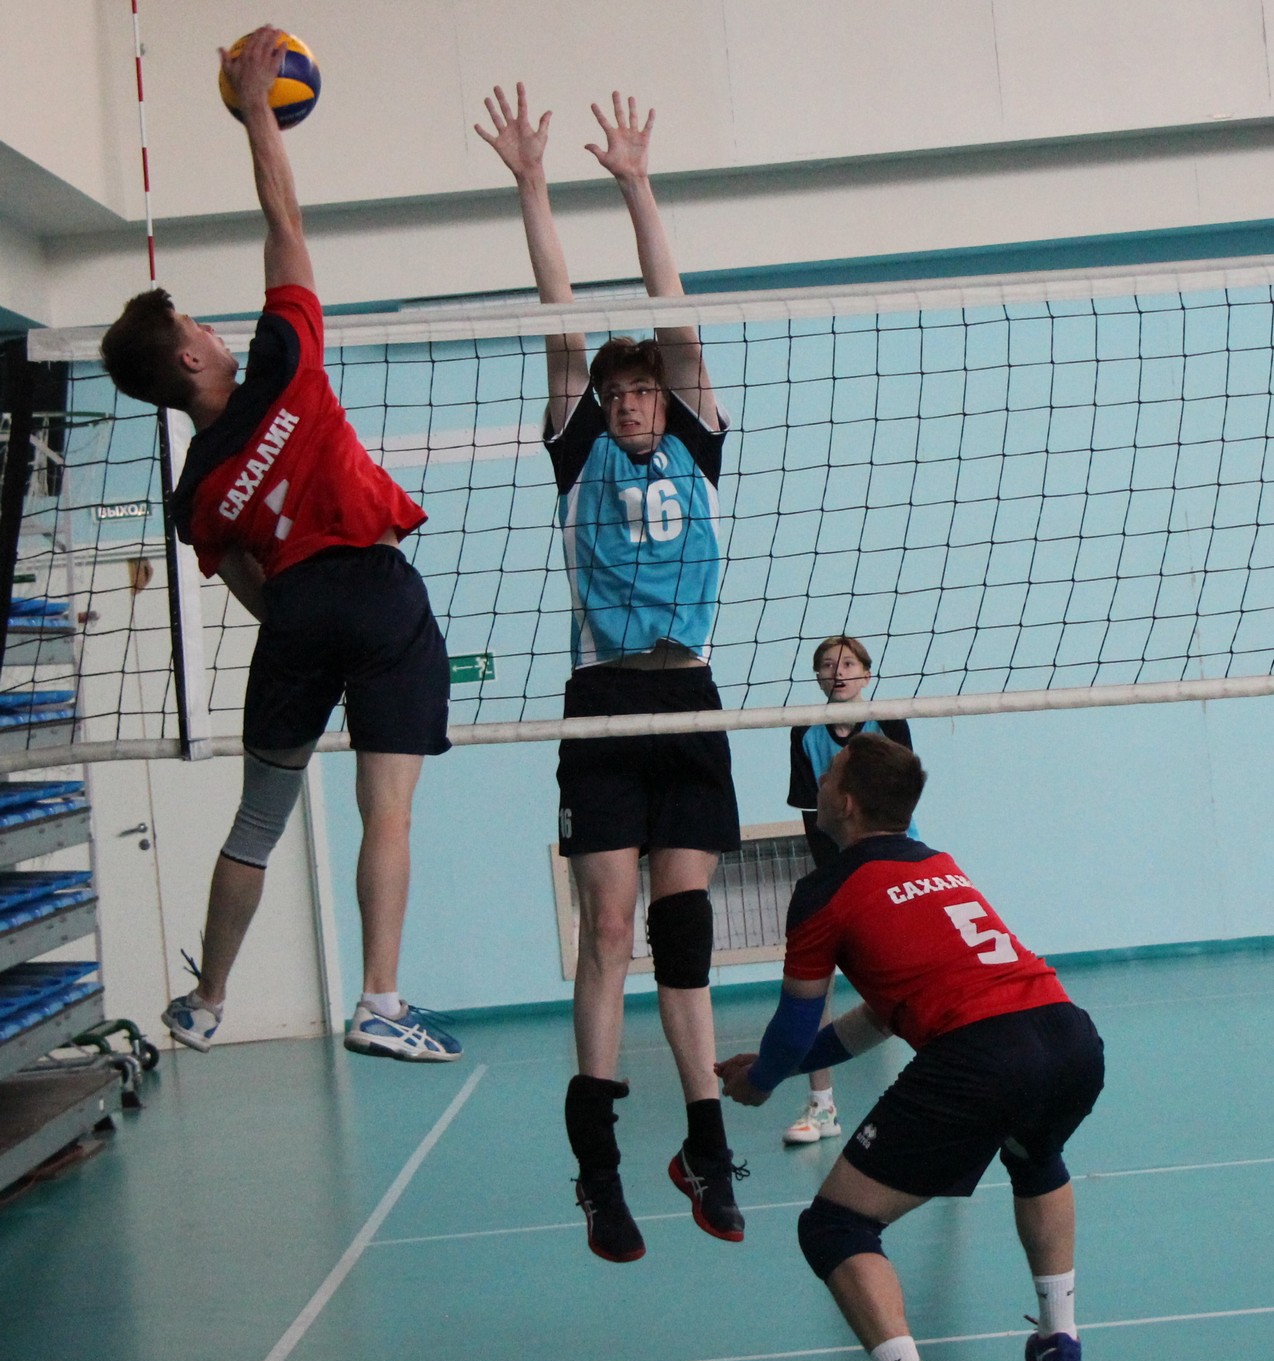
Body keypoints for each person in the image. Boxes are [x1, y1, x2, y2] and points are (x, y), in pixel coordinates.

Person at [99, 26, 462, 1066]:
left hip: (296, 613)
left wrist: (306, 616)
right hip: (379, 595)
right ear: (188, 357)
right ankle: (379, 999)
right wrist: (257, 107)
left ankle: (207, 1002)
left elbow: (253, 589)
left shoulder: (196, 492)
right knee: (385, 813)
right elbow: (285, 222)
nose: (213, 328)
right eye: (197, 326)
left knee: (258, 821)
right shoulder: (286, 363)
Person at [476, 85, 744, 1263]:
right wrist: (535, 185)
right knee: (608, 930)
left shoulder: (696, 443)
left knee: (683, 937)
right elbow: (560, 320)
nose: (632, 403)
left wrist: (637, 184)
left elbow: (674, 317)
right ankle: (597, 1167)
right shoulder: (578, 448)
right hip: (604, 702)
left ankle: (704, 1145)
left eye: (643, 391)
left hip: (689, 696)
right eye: (618, 392)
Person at [718, 732, 1104, 1361]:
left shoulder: (825, 891)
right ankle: (1061, 1341)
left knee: (835, 1226)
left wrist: (760, 1083)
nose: (818, 783)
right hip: (1068, 1036)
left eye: (828, 774)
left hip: (983, 1056)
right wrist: (779, 1070)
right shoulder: (936, 865)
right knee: (1035, 1153)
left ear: (846, 803)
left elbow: (795, 1023)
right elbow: (877, 1018)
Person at [782, 635, 913, 1147]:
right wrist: (833, 878)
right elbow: (811, 815)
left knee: (909, 979)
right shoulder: (804, 732)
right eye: (827, 665)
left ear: (866, 673)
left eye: (848, 663)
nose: (838, 672)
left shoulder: (889, 723)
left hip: (895, 864)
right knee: (817, 984)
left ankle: (934, 1089)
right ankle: (822, 1105)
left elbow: (899, 805)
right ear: (817, 676)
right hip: (837, 866)